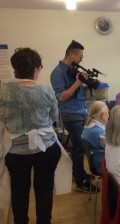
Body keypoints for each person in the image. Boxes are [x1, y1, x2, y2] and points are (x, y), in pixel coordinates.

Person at [0, 48, 61, 224]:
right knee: (44, 190)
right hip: (46, 147)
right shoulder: (47, 92)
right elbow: (53, 118)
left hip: (15, 150)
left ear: (15, 69)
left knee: (19, 191)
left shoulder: (3, 92)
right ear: (36, 69)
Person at [51, 40, 97, 193]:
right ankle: (80, 181)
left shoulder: (73, 70)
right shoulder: (57, 73)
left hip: (80, 112)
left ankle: (80, 173)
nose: (82, 59)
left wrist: (85, 82)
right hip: (71, 114)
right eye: (80, 55)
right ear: (71, 54)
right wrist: (78, 83)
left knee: (81, 147)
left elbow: (75, 92)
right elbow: (62, 97)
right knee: (79, 147)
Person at [82, 101, 109, 175]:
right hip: (101, 165)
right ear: (103, 115)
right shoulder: (101, 132)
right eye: (108, 113)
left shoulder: (86, 127)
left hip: (94, 162)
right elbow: (112, 147)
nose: (108, 116)